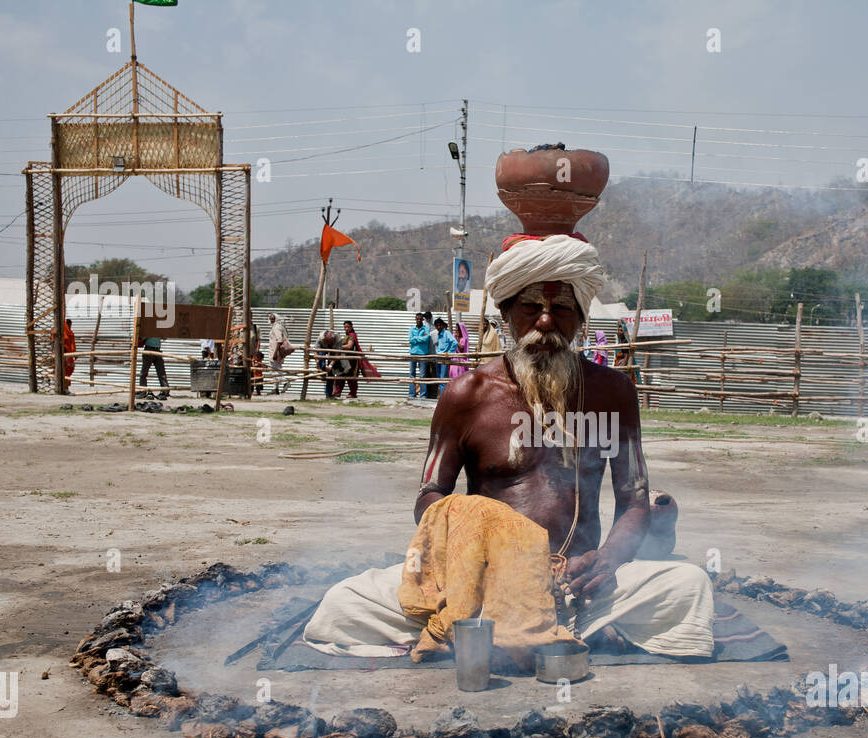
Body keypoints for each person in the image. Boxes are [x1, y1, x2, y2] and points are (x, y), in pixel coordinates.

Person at [301, 233, 714, 666]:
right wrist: (471, 550)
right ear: (505, 313)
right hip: (479, 584)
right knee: (343, 602)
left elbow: (633, 500)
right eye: (531, 308)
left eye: (561, 309)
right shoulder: (466, 395)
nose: (545, 322)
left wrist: (606, 562)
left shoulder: (612, 392)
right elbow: (429, 495)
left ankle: (522, 631)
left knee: (688, 586)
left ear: (580, 317)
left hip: (576, 581)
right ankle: (547, 633)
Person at [267, 313, 294, 394]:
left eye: (273, 318)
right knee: (276, 368)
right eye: (270, 318)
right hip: (275, 350)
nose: (271, 320)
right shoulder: (277, 327)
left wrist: (275, 353)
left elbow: (279, 340)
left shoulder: (277, 327)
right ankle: (275, 389)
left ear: (276, 319)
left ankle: (285, 381)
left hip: (276, 351)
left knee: (274, 369)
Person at [407, 312, 431, 399]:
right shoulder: (411, 329)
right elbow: (410, 340)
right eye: (417, 319)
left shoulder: (426, 329)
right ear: (415, 319)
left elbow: (426, 339)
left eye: (420, 319)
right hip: (413, 353)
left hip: (423, 353)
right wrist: (420, 338)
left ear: (422, 320)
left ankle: (423, 395)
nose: (419, 320)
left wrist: (415, 338)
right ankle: (411, 394)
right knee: (411, 374)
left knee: (423, 375)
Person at [139, 331, 168, 399]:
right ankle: (143, 391)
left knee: (161, 372)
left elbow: (165, 337)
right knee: (144, 372)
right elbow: (141, 338)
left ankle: (165, 391)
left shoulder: (159, 328)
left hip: (157, 350)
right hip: (148, 349)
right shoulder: (147, 329)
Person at [315, 326, 342, 399]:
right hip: (322, 350)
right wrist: (318, 363)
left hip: (333, 352)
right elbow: (316, 351)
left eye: (330, 341)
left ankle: (328, 394)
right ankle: (323, 370)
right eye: (327, 341)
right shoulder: (320, 338)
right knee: (321, 355)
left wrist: (330, 365)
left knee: (331, 372)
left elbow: (337, 354)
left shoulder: (338, 339)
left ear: (333, 339)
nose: (328, 342)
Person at [434, 318, 459, 395]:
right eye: (437, 325)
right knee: (439, 377)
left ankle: (442, 397)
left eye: (439, 325)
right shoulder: (438, 334)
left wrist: (449, 353)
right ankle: (442, 395)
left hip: (444, 358)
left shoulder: (446, 333)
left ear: (442, 326)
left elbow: (454, 343)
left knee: (442, 378)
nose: (438, 327)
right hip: (438, 357)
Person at [341, 319, 364, 399]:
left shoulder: (352, 335)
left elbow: (349, 346)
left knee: (352, 376)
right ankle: (337, 392)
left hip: (352, 360)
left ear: (351, 327)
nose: (346, 328)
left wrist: (339, 347)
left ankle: (353, 393)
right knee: (341, 375)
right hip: (345, 359)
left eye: (348, 327)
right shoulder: (347, 335)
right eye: (345, 327)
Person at [62, 318, 76, 390]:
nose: (70, 326)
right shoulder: (63, 333)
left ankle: (66, 386)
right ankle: (65, 387)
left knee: (70, 369)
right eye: (69, 324)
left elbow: (73, 344)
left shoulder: (71, 333)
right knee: (64, 370)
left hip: (70, 355)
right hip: (65, 354)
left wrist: (74, 353)